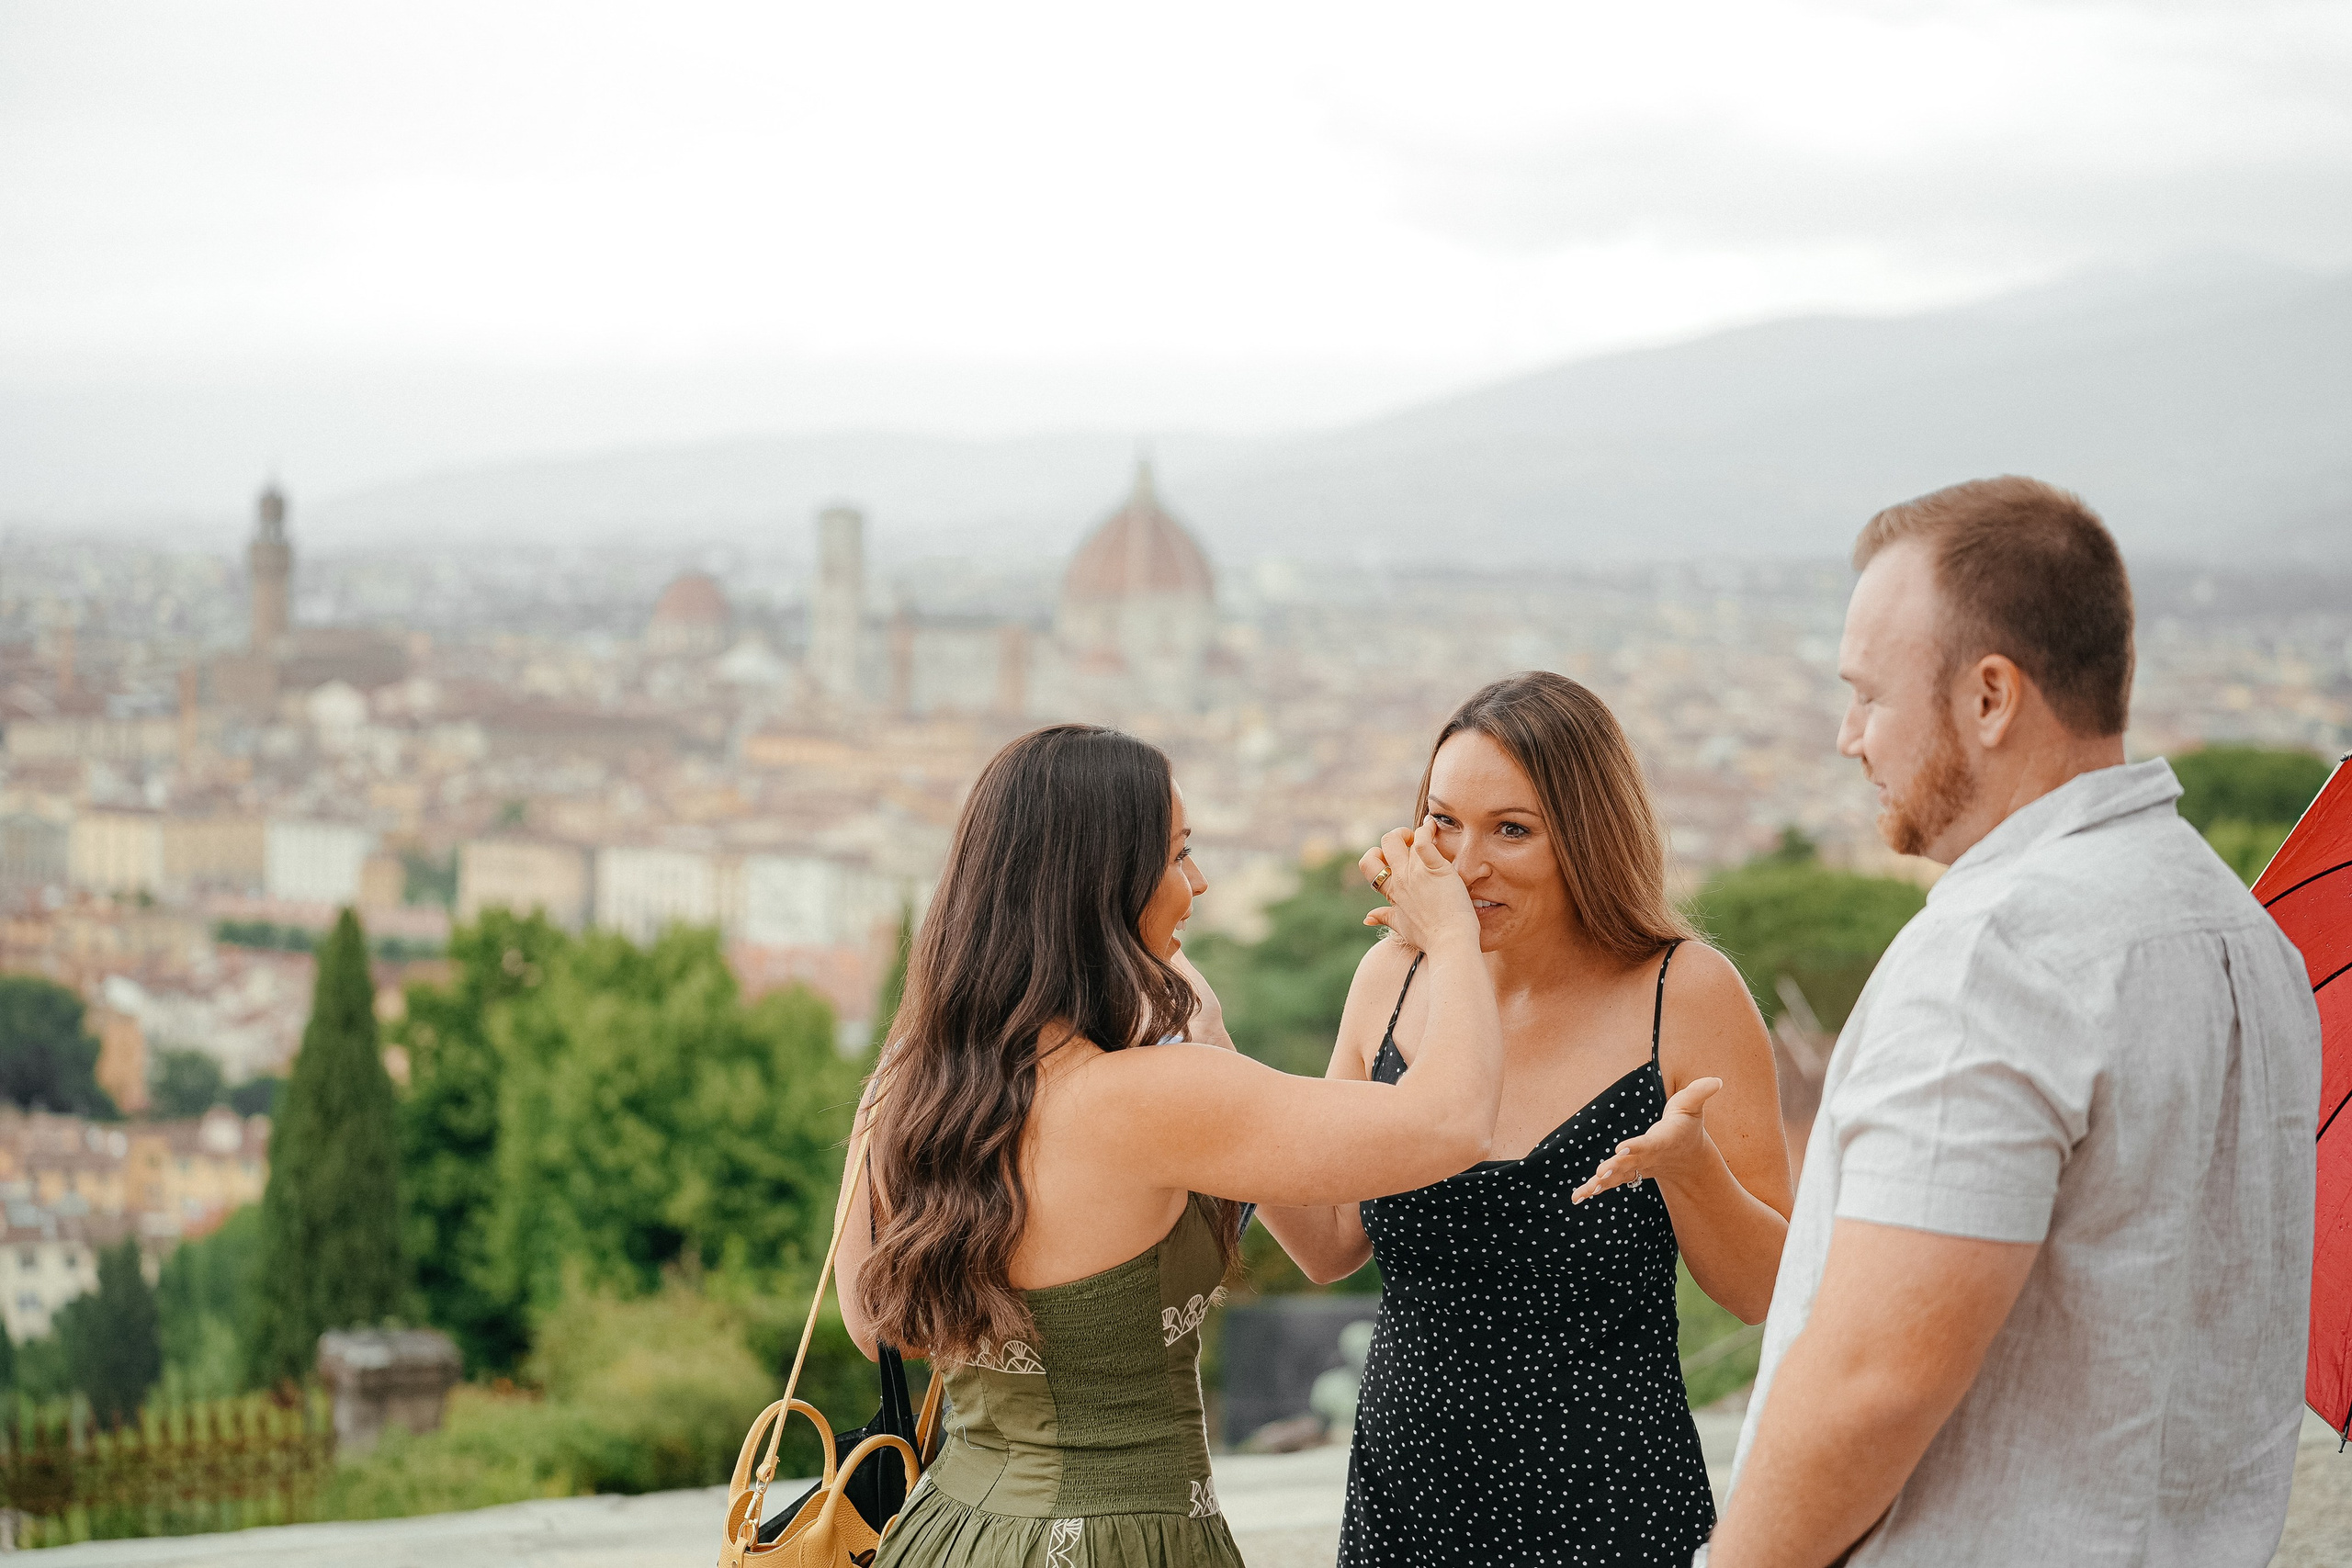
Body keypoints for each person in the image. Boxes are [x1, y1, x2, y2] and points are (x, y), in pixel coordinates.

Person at [1702, 478, 2323, 1568]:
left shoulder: (1999, 952)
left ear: (1990, 697)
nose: (1849, 738)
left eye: (1867, 695)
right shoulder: (2242, 934)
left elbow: (1872, 1380)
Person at [834, 723, 1506, 1568]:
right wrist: (1451, 939)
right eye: (1177, 854)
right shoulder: (1148, 1099)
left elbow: (872, 1324)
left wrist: (1203, 1029)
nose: (1196, 881)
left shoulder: (909, 1083)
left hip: (944, 1534)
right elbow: (1454, 1123)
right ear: (1101, 886)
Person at [1258, 671, 1793, 1567]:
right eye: (1442, 823)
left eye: (1511, 830)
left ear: (1585, 836)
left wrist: (1692, 1168)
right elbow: (1330, 1242)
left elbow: (1768, 1292)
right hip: (1405, 1502)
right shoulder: (1387, 982)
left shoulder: (1686, 993)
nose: (1465, 866)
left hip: (1612, 1507)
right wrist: (1211, 1083)